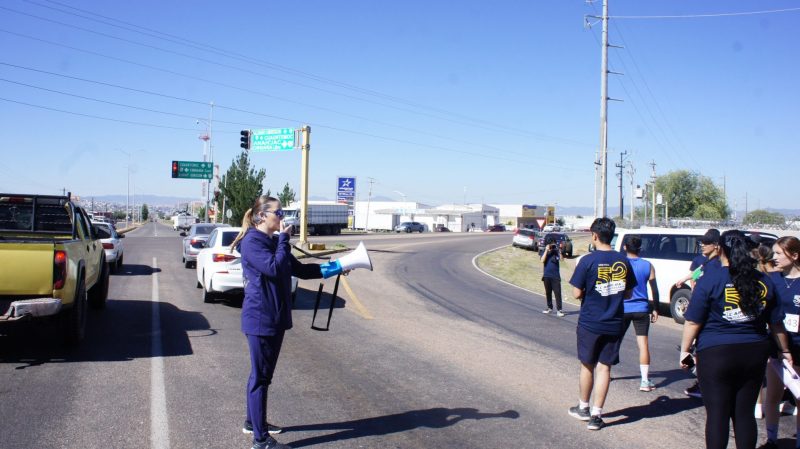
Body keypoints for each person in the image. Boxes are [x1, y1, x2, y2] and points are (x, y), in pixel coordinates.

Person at [680, 230, 792, 449]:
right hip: (754, 352)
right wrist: (785, 350)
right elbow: (776, 324)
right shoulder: (764, 280)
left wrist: (685, 351)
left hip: (716, 353)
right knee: (744, 413)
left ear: (720, 248)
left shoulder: (710, 279)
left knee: (717, 414)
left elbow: (693, 321)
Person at [233, 195, 325, 449]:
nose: (283, 217)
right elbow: (274, 268)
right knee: (260, 378)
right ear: (263, 215)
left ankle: (253, 422)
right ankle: (260, 440)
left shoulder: (272, 241)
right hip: (261, 318)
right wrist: (284, 240)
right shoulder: (253, 242)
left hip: (273, 317)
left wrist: (337, 267)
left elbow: (301, 270)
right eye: (279, 213)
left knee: (262, 376)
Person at [568, 217, 637, 431]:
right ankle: (597, 415)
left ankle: (583, 407)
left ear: (595, 236)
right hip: (614, 321)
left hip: (590, 321)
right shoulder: (623, 261)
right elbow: (628, 293)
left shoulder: (587, 261)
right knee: (605, 367)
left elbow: (576, 292)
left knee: (587, 365)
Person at [759, 236, 800, 449]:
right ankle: (771, 439)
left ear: (794, 255)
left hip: (799, 347)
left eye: (778, 253)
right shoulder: (772, 279)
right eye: (773, 253)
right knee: (773, 395)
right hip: (777, 347)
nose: (773, 257)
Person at [675, 228, 721, 399]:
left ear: (716, 245)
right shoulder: (704, 262)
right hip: (699, 306)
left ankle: (704, 384)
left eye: (706, 242)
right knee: (697, 350)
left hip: (709, 314)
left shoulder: (719, 264)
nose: (702, 245)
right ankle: (701, 381)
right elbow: (696, 273)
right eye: (702, 242)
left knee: (698, 351)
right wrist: (684, 280)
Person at [621, 235, 660, 392]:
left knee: (614, 341)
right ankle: (644, 381)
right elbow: (654, 289)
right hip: (642, 309)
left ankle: (605, 372)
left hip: (623, 308)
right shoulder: (648, 265)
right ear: (640, 248)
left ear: (625, 247)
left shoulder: (621, 264)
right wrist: (655, 308)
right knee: (643, 345)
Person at [541, 236, 564, 317]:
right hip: (547, 275)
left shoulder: (556, 251)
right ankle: (549, 308)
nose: (552, 245)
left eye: (553, 243)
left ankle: (559, 310)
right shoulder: (544, 251)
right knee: (548, 293)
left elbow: (562, 259)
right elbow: (542, 260)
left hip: (556, 276)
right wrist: (546, 250)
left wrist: (559, 251)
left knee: (557, 293)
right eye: (551, 244)